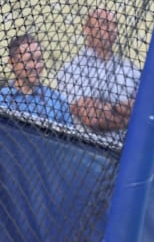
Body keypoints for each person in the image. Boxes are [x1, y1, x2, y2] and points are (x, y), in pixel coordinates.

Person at [55, 8, 141, 145]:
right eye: (104, 23)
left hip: (121, 153)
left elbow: (141, 113)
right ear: (87, 29)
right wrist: (120, 110)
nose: (111, 29)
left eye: (114, 24)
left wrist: (105, 109)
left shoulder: (130, 71)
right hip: (82, 148)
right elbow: (91, 117)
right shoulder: (72, 69)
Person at [0, 34, 72, 125]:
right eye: (29, 60)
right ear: (12, 63)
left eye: (39, 59)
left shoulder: (58, 103)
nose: (36, 66)